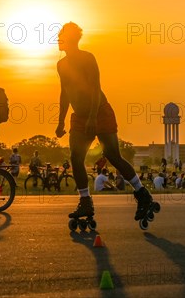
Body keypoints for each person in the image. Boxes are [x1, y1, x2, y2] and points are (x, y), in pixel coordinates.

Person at [53, 22, 155, 223]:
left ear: (71, 40)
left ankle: (143, 194)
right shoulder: (61, 65)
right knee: (75, 157)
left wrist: (92, 117)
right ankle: (85, 201)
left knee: (112, 155)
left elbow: (94, 89)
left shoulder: (87, 58)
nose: (58, 40)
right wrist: (60, 121)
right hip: (79, 117)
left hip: (99, 111)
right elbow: (64, 93)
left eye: (61, 37)